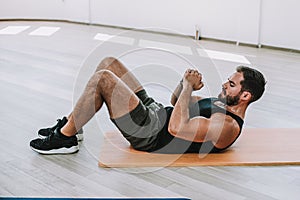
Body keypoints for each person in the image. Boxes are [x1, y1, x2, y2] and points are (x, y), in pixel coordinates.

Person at [30, 57, 266, 154]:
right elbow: (177, 102)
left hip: (150, 133)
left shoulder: (226, 126)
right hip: (156, 113)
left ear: (245, 96)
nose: (225, 84)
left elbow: (176, 128)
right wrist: (184, 83)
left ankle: (64, 138)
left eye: (232, 84)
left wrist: (187, 87)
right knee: (109, 63)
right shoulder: (219, 103)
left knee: (103, 78)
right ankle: (74, 124)